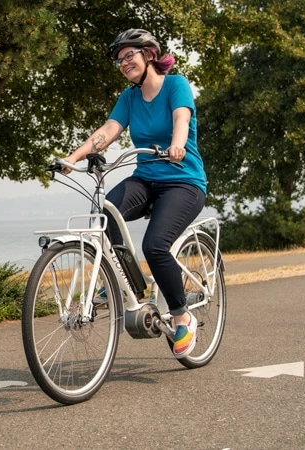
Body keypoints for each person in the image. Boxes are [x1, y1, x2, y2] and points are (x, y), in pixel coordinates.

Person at [63, 29, 207, 359]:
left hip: (183, 181)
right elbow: (108, 131)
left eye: (129, 55)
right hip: (146, 178)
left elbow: (181, 118)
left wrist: (178, 145)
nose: (123, 62)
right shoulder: (129, 98)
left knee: (155, 245)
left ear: (149, 55)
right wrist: (73, 157)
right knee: (104, 214)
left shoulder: (175, 85)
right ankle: (125, 282)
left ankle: (183, 316)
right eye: (119, 59)